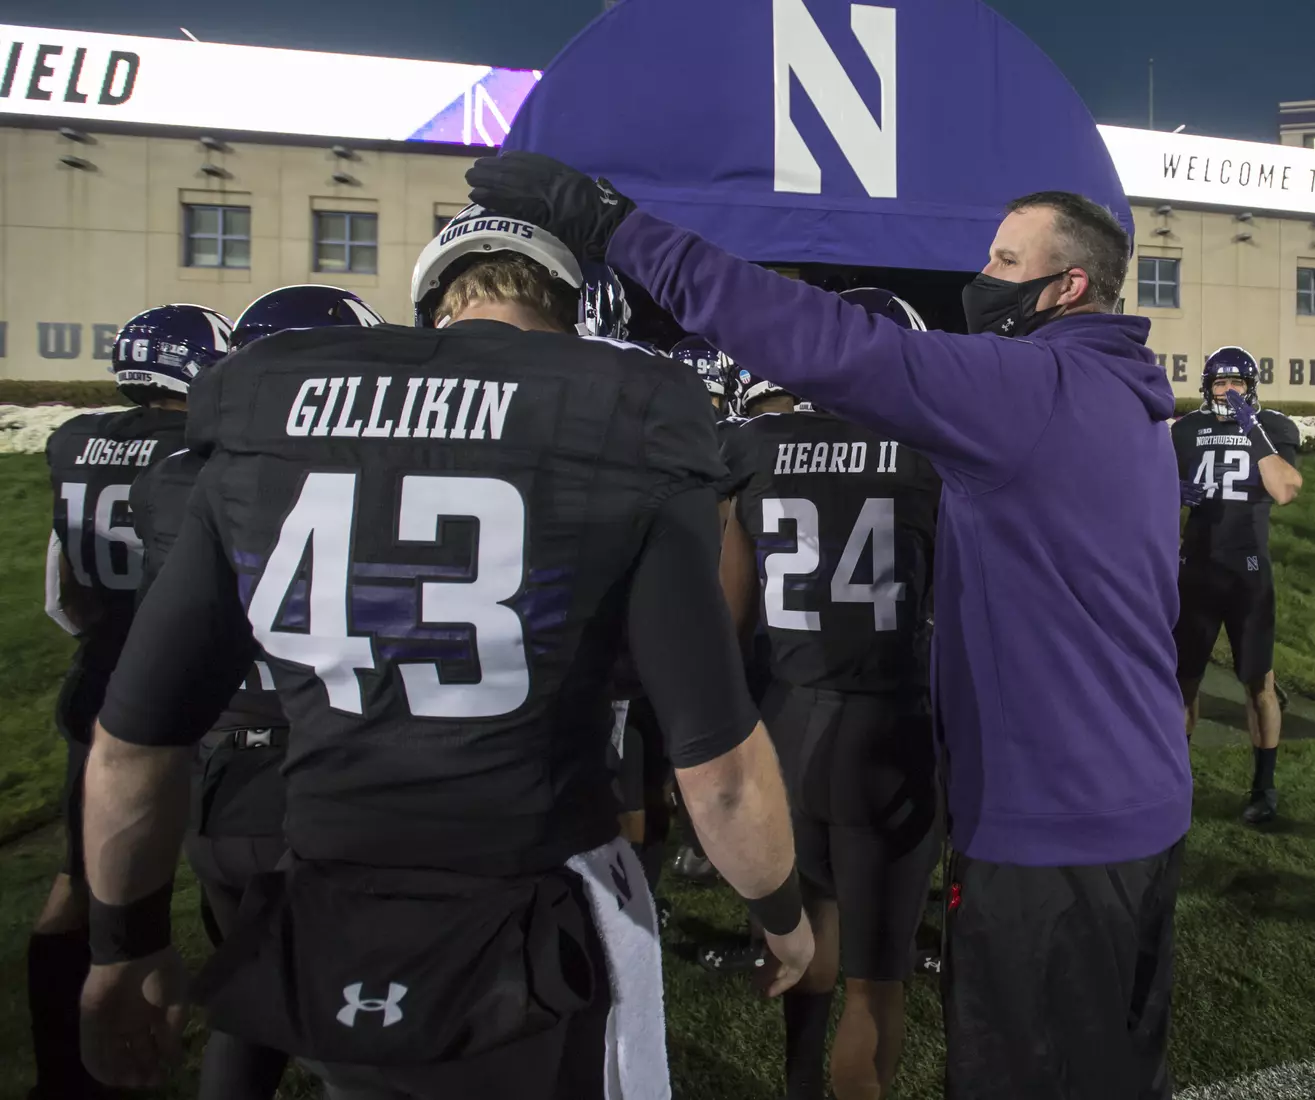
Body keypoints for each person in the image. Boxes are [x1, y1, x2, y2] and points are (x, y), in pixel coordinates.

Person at [468, 155, 1192, 1100]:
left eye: (1006, 261)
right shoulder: (1128, 397)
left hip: (1048, 825)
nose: (984, 279)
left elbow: (821, 341)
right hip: (1140, 805)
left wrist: (615, 228)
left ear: (1069, 285)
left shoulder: (1033, 387)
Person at [78, 205, 812, 1098]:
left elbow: (133, 747)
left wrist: (126, 943)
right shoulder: (618, 419)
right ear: (574, 314)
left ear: (432, 309)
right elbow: (720, 771)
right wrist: (779, 915)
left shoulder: (271, 412)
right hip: (529, 922)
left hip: (325, 899)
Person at [127, 285, 386, 1100]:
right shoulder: (364, 476)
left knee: (249, 993)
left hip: (212, 776)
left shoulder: (177, 476)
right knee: (355, 1027)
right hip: (311, 781)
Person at [719, 287, 941, 1100]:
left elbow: (728, 623)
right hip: (888, 730)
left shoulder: (753, 445)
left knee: (803, 938)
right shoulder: (925, 451)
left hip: (782, 723)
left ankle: (795, 1087)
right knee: (875, 986)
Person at [30, 302, 227, 1100]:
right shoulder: (201, 450)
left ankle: (64, 1071)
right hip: (188, 690)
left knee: (82, 885)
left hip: (102, 674)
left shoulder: (73, 443)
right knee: (239, 886)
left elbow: (64, 593)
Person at [1172, 346, 1302, 822]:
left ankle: (1263, 789)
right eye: (1220, 384)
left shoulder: (1273, 426)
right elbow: (1146, 488)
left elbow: (1285, 489)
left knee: (1258, 683)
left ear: (1252, 387)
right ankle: (1177, 783)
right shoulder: (1184, 431)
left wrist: (1253, 428)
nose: (1229, 392)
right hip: (1197, 570)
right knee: (1183, 684)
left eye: (1237, 384)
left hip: (1249, 574)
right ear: (1207, 388)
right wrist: (1168, 489)